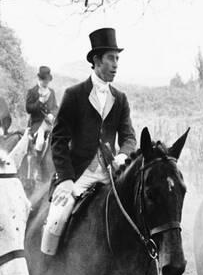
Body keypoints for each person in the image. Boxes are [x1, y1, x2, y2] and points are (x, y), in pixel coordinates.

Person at [40, 27, 137, 256]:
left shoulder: (120, 98)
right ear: (96, 60)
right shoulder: (74, 94)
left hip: (110, 173)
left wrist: (123, 154)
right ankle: (44, 273)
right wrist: (65, 178)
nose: (115, 64)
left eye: (117, 59)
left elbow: (129, 136)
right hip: (79, 174)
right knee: (57, 217)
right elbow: (59, 139)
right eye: (111, 58)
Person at [25, 66, 58, 154]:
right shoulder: (32, 92)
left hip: (50, 123)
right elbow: (28, 109)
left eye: (47, 80)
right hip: (37, 123)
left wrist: (52, 114)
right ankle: (36, 162)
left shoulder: (51, 92)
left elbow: (55, 107)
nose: (46, 82)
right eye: (44, 80)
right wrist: (39, 102)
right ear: (40, 79)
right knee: (39, 142)